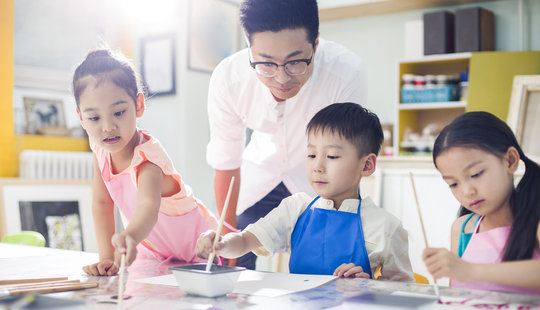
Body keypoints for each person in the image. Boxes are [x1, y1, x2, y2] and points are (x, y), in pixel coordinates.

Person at [206, 0, 367, 269]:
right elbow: (226, 163)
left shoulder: (345, 72)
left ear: (316, 43)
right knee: (234, 257)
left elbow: (343, 160)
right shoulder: (228, 79)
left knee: (333, 271)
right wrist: (227, 238)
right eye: (266, 64)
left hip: (324, 177)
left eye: (295, 63)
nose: (281, 79)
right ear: (249, 47)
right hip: (259, 177)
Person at [198, 103, 413, 280]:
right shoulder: (295, 208)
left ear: (366, 165)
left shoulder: (386, 227)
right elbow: (245, 241)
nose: (317, 166)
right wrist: (221, 244)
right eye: (311, 155)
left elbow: (403, 293)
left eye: (332, 157)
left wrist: (369, 286)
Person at [74, 49, 218, 276]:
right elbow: (102, 203)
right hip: (154, 254)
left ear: (139, 105)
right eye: (94, 118)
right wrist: (106, 258)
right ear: (81, 117)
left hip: (198, 254)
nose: (108, 126)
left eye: (119, 112)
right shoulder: (99, 149)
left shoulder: (149, 158)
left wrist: (129, 236)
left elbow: (147, 208)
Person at [422, 112, 540, 293]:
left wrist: (470, 270)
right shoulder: (462, 229)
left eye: (476, 174)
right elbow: (457, 295)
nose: (467, 191)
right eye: (453, 184)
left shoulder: (535, 219)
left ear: (510, 161)